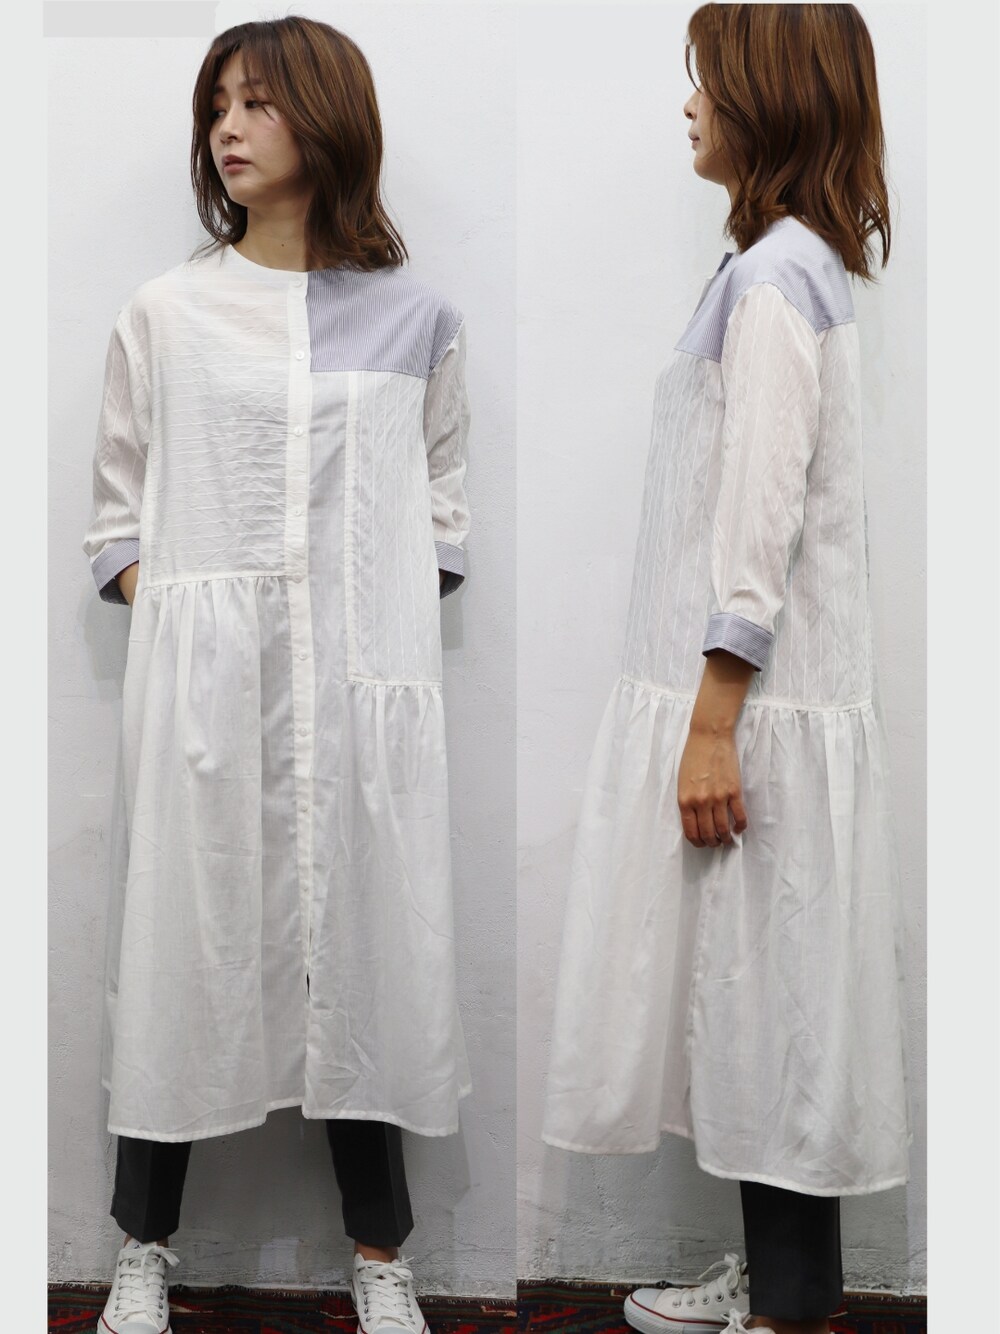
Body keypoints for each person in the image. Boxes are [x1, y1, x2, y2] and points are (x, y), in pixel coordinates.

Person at [81, 17, 472, 1334]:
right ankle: (143, 1247)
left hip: (359, 706)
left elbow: (445, 511)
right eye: (216, 108)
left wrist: (364, 637)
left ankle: (381, 1254)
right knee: (182, 953)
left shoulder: (417, 319)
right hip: (206, 709)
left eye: (257, 103)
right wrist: (191, 636)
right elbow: (117, 520)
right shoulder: (168, 313)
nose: (228, 130)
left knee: (366, 958)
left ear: (328, 116)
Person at [541, 6, 911, 1334]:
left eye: (706, 82)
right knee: (768, 1011)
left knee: (773, 1010)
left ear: (768, 97)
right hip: (772, 701)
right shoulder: (783, 267)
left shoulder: (771, 283)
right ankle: (783, 1286)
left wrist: (710, 724)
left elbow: (761, 521)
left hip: (755, 707)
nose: (688, 107)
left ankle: (789, 1305)